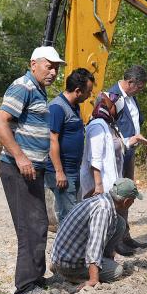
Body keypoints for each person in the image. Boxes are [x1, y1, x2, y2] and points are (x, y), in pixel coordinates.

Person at [0, 46, 64, 294]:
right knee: (29, 226)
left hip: (32, 169)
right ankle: (25, 291)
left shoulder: (39, 90)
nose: (54, 71)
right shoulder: (22, 86)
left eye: (57, 67)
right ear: (33, 63)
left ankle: (35, 280)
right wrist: (21, 157)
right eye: (49, 65)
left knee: (40, 222)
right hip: (17, 168)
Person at [51, 178, 143, 288]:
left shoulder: (103, 199)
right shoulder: (103, 211)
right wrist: (93, 279)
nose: (132, 203)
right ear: (126, 201)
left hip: (64, 255)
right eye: (133, 200)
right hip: (69, 264)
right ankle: (69, 276)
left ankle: (103, 260)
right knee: (117, 272)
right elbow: (94, 246)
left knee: (120, 223)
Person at [108, 65, 147, 250]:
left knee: (127, 195)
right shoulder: (112, 97)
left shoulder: (131, 98)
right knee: (117, 196)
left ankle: (124, 236)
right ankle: (115, 241)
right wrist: (128, 140)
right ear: (130, 82)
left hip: (128, 153)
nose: (141, 90)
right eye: (139, 86)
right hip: (117, 154)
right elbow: (106, 130)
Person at [45, 68, 95, 225]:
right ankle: (66, 249)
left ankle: (69, 248)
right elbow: (52, 140)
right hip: (63, 172)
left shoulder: (75, 106)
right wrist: (59, 172)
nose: (90, 96)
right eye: (88, 91)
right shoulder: (57, 108)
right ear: (78, 91)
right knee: (70, 219)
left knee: (71, 215)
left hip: (73, 171)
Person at [79, 92, 147, 201]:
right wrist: (98, 185)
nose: (118, 114)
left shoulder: (109, 126)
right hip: (99, 186)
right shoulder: (97, 126)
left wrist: (133, 140)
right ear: (110, 108)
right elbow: (95, 158)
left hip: (109, 183)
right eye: (117, 110)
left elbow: (113, 147)